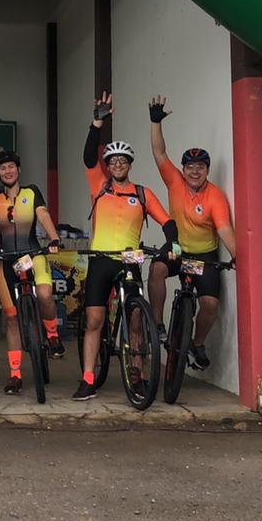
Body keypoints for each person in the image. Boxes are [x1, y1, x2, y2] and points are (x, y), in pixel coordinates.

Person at [75, 93, 180, 402]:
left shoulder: (142, 194)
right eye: (113, 161)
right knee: (95, 320)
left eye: (122, 161)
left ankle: (137, 372)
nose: (117, 164)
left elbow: (167, 221)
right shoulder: (99, 186)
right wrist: (97, 123)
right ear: (108, 166)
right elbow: (88, 157)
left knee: (136, 318)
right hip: (100, 260)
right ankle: (88, 379)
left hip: (129, 261)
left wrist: (172, 243)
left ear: (129, 165)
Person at [147, 95, 236, 369]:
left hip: (204, 256)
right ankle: (157, 324)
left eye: (200, 167)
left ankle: (197, 344)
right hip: (178, 250)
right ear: (183, 169)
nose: (195, 171)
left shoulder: (215, 196)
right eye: (190, 167)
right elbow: (159, 153)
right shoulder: (174, 181)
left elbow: (225, 229)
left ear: (207, 170)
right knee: (156, 269)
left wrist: (238, 257)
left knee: (210, 304)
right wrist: (155, 122)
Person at [0, 150, 63, 395]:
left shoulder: (31, 192)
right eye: (3, 168)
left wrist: (54, 238)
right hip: (5, 260)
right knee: (11, 318)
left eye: (11, 167)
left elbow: (43, 214)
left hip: (32, 254)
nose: (8, 171)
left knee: (45, 294)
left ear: (19, 170)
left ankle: (52, 334)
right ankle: (15, 374)